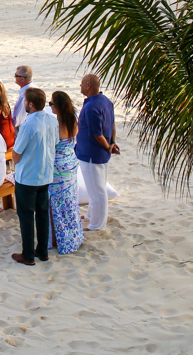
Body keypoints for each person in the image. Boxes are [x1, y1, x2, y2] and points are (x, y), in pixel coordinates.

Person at [11, 87, 58, 265]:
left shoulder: (29, 125)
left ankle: (28, 254)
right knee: (42, 213)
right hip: (45, 173)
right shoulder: (52, 121)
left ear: (30, 104)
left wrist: (17, 164)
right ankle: (42, 251)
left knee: (26, 215)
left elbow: (17, 152)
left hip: (28, 175)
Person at [77, 73, 120, 231]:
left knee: (97, 191)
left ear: (88, 85)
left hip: (91, 154)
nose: (80, 86)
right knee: (94, 188)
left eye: (82, 83)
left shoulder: (92, 107)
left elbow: (97, 134)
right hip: (98, 153)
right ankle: (90, 216)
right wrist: (112, 143)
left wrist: (108, 146)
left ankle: (97, 225)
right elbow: (112, 125)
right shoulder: (105, 101)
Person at [49, 90, 85, 254]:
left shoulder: (57, 126)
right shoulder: (73, 121)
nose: (50, 107)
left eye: (51, 104)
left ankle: (58, 238)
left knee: (56, 204)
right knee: (69, 202)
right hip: (71, 162)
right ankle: (73, 234)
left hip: (58, 167)